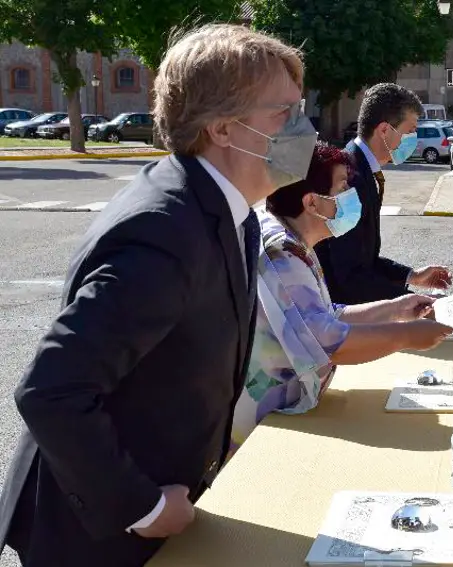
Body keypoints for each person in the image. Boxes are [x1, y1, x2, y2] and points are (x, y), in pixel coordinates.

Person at [0, 24, 314, 566]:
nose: (303, 127)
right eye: (284, 112)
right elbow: (51, 391)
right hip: (97, 536)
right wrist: (141, 506)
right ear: (223, 128)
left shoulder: (225, 205)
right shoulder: (165, 233)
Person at [230, 144, 453, 455]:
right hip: (263, 428)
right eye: (343, 187)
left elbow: (324, 315)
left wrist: (396, 309)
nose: (352, 195)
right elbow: (325, 340)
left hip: (284, 413)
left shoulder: (293, 240)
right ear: (311, 202)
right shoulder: (281, 252)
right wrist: (406, 336)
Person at [314, 83, 451, 305]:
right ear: (384, 130)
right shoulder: (349, 179)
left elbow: (364, 261)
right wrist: (410, 302)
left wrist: (412, 276)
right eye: (410, 131)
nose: (413, 140)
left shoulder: (362, 168)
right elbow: (348, 276)